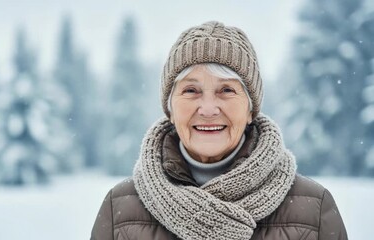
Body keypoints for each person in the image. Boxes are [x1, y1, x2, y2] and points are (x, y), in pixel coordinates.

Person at [91, 21, 347, 240]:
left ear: (250, 110)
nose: (208, 108)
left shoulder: (314, 210)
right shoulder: (119, 209)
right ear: (170, 109)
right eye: (191, 91)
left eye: (226, 90)